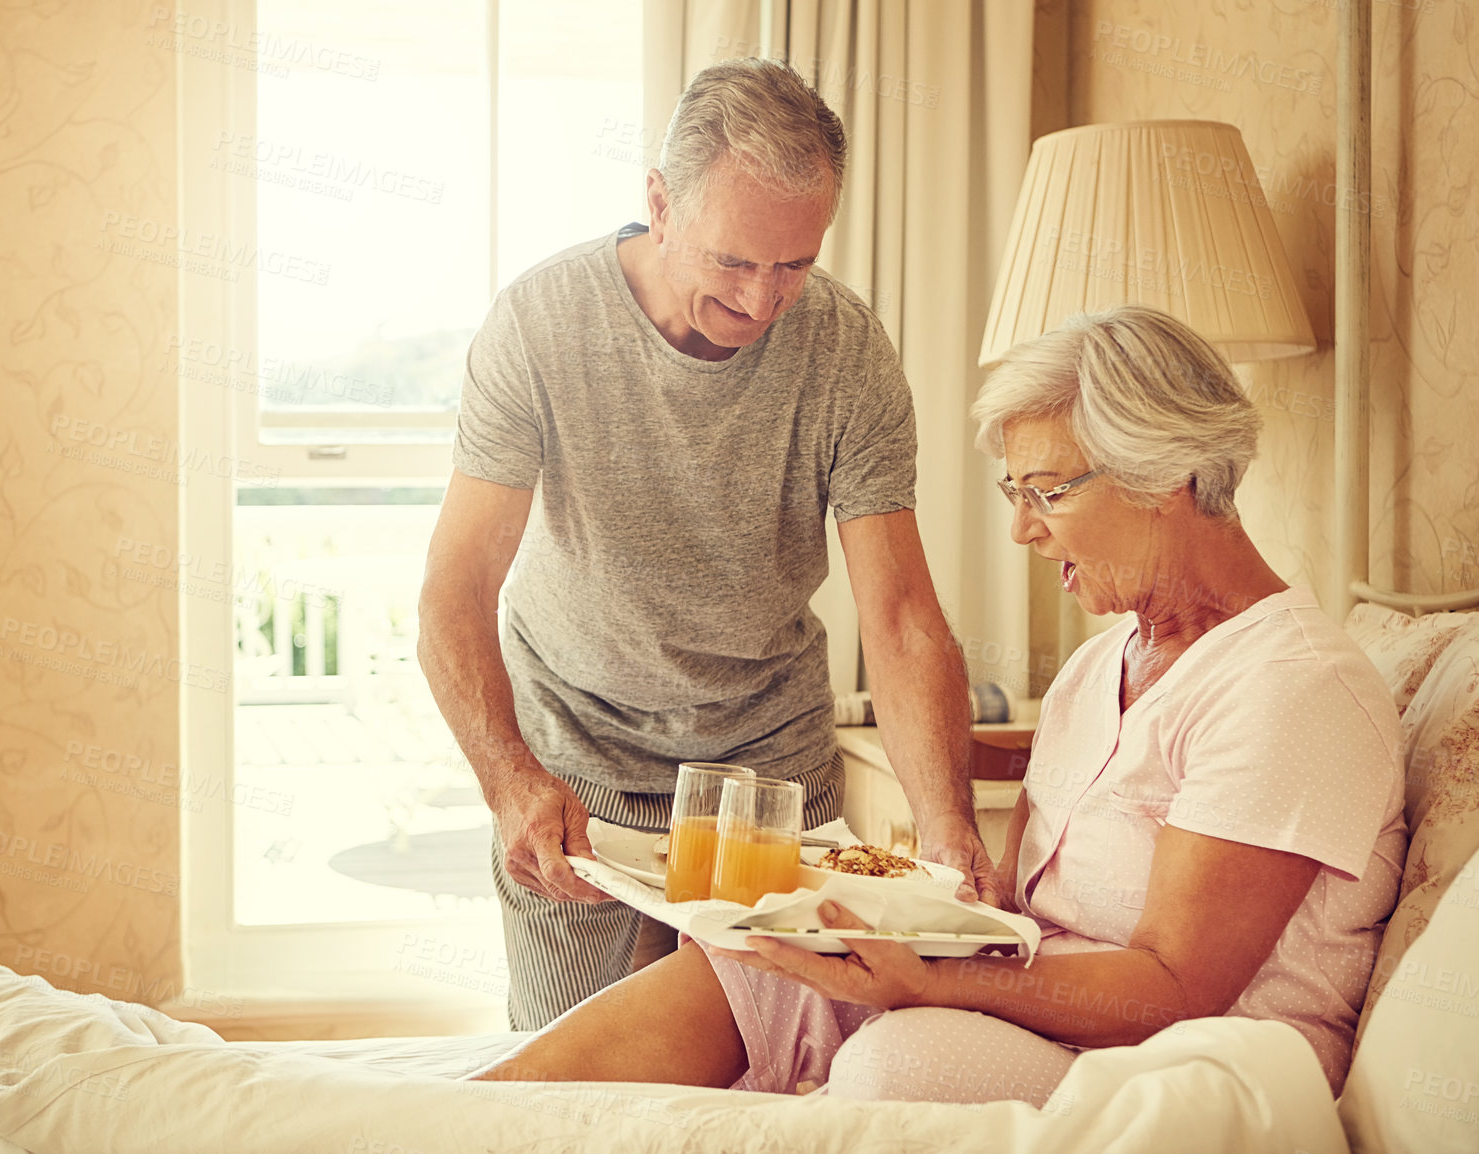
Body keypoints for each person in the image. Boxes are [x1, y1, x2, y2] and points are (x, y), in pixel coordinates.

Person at [469, 305, 1407, 1102]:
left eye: (1046, 491)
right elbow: (1022, 907)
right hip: (1040, 997)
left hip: (1179, 1061)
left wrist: (933, 981)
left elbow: (1173, 990)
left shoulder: (1291, 690)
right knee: (739, 968)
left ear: (1167, 474)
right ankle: (460, 1129)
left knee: (896, 1065)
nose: (1021, 528)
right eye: (1014, 490)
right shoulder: (1097, 667)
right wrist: (914, 909)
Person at [417, 58, 992, 1031]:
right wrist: (511, 780)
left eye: (795, 264)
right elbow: (455, 592)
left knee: (776, 1079)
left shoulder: (846, 350)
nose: (766, 301)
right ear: (660, 203)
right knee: (572, 1086)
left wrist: (948, 826)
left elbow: (899, 617)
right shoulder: (540, 323)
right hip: (578, 772)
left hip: (769, 779)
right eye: (735, 261)